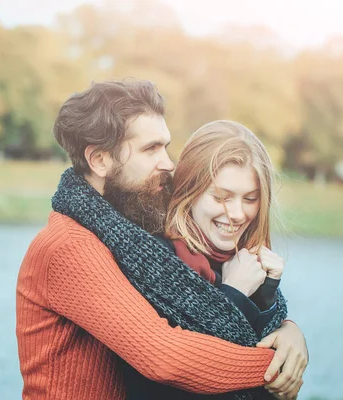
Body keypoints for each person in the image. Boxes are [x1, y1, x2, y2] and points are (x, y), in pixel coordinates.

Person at [16, 79, 308, 400]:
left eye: (166, 147)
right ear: (100, 160)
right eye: (151, 148)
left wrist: (286, 328)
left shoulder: (129, 225)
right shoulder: (69, 246)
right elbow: (164, 358)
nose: (169, 163)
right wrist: (279, 366)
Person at [121, 120, 299, 399]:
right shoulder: (154, 261)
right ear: (189, 192)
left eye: (250, 199)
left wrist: (278, 318)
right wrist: (235, 294)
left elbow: (266, 387)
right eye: (221, 197)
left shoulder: (245, 263)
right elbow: (174, 382)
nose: (238, 214)